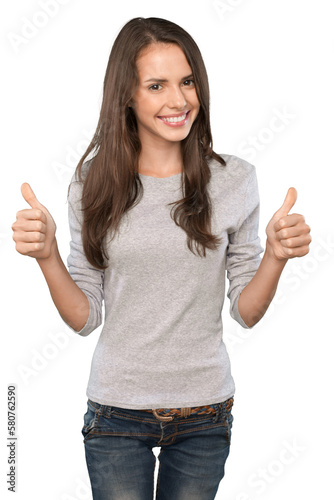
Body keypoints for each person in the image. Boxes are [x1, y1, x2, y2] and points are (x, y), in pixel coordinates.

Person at [11, 17, 311, 500]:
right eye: (157, 85)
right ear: (126, 96)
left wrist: (276, 256)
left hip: (205, 414)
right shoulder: (92, 185)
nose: (179, 100)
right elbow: (85, 319)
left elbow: (246, 313)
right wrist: (47, 256)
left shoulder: (234, 179)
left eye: (187, 81)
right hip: (115, 414)